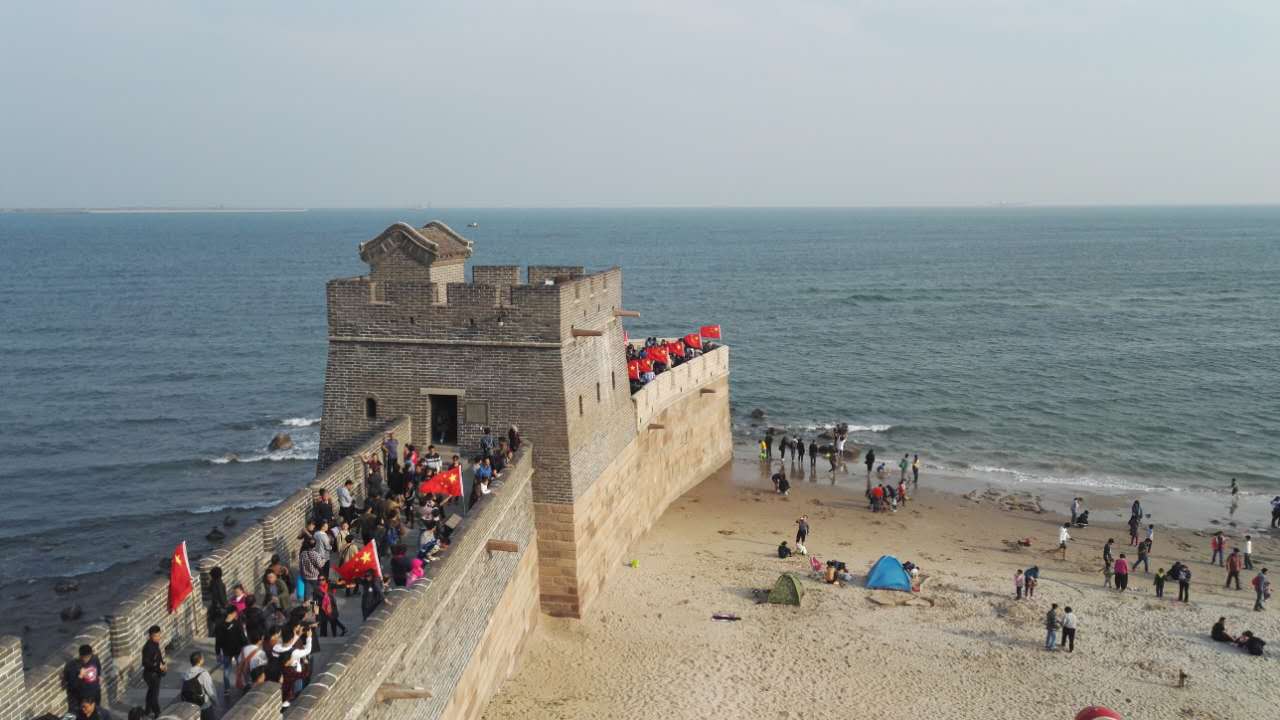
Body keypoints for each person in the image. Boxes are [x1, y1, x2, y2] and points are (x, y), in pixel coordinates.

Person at [214, 606, 247, 698]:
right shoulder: (237, 624)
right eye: (235, 612)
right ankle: (244, 684)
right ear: (232, 613)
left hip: (226, 651)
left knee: (226, 670)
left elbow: (218, 641)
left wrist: (217, 653)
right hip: (237, 650)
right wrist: (246, 646)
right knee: (241, 667)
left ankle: (227, 689)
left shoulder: (219, 625)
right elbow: (242, 637)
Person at [62, 644, 102, 711]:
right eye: (85, 657)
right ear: (80, 656)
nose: (87, 659)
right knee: (73, 714)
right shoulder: (73, 666)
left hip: (95, 694)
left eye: (88, 657)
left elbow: (98, 669)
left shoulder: (95, 659)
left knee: (96, 712)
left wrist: (99, 677)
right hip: (81, 698)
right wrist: (80, 676)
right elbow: (72, 686)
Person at [181, 651, 217, 720]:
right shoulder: (203, 673)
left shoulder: (185, 673)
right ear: (200, 661)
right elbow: (210, 690)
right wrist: (216, 702)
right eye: (202, 658)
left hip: (192, 706)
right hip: (204, 705)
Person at [141, 626, 166, 718]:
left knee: (151, 693)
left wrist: (163, 664)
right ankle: (157, 713)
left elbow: (158, 657)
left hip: (156, 673)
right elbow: (145, 662)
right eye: (157, 635)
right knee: (154, 695)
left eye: (159, 635)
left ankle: (147, 710)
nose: (159, 637)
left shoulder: (155, 645)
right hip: (151, 675)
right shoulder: (148, 647)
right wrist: (157, 666)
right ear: (151, 636)